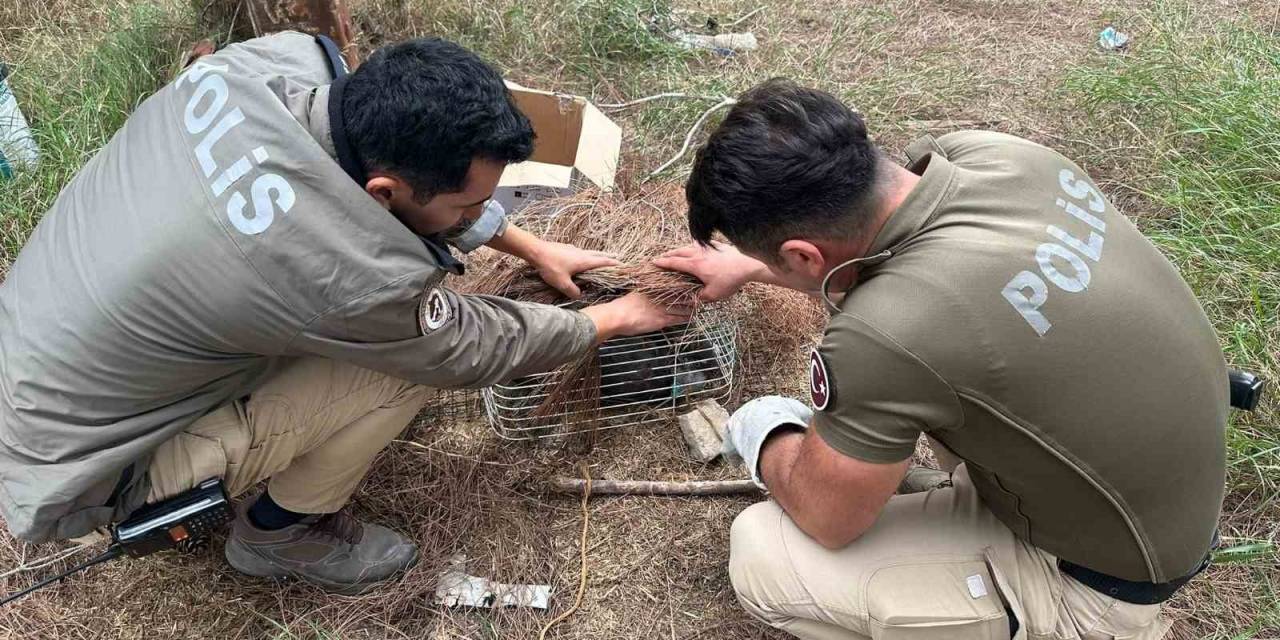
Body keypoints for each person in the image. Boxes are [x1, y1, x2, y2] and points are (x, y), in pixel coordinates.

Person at [0, 32, 687, 594]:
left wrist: (531, 246)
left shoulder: (274, 62)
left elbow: (383, 183)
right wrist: (614, 318)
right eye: (470, 207)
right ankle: (277, 534)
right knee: (403, 370)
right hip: (80, 472)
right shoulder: (339, 273)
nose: (483, 215)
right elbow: (464, 345)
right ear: (383, 193)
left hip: (37, 362)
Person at [656, 78, 1228, 639]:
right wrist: (753, 265)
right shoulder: (995, 156)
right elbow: (897, 251)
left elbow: (827, 518)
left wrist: (767, 432)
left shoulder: (888, 334)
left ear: (804, 256)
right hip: (1163, 493)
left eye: (776, 261)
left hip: (1105, 580)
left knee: (762, 554)